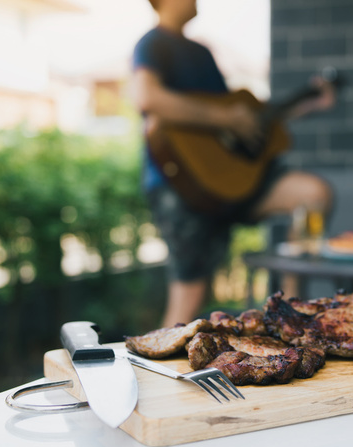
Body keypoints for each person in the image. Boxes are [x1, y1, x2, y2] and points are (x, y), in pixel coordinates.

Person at [133, 0, 335, 327]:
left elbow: (244, 121)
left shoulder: (202, 53)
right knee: (188, 300)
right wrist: (226, 117)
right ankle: (157, 372)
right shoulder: (153, 44)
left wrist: (308, 103)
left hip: (231, 182)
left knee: (313, 194)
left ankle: (289, 316)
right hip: (183, 187)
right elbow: (147, 97)